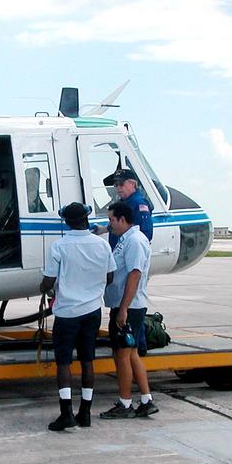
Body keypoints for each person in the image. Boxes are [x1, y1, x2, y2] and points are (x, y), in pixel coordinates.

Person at [40, 202, 115, 430]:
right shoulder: (102, 245)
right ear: (86, 219)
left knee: (64, 362)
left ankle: (66, 414)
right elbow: (110, 277)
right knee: (87, 360)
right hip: (92, 311)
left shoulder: (59, 246)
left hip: (67, 312)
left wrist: (46, 288)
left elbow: (48, 282)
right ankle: (85, 412)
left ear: (66, 222)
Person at [99, 200, 158, 419]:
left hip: (129, 307)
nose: (110, 224)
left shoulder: (134, 241)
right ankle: (146, 400)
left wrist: (123, 308)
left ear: (122, 219)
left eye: (111, 220)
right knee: (131, 355)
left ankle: (125, 404)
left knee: (122, 355)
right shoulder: (128, 239)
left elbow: (135, 274)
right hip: (125, 305)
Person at [102, 170, 154, 245]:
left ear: (132, 184)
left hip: (130, 251)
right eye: (116, 185)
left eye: (121, 184)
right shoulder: (120, 203)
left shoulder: (139, 204)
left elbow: (145, 234)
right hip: (118, 251)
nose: (118, 187)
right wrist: (103, 229)